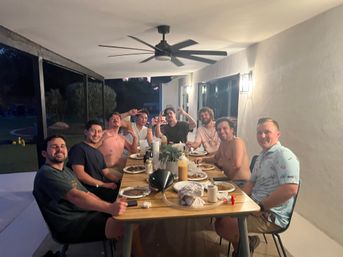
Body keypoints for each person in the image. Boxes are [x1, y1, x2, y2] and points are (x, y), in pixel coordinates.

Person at [214, 118, 300, 257]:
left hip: (270, 215)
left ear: (278, 134)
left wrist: (261, 207)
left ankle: (243, 249)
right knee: (220, 214)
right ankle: (246, 244)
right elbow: (251, 183)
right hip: (255, 205)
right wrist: (237, 200)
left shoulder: (284, 155)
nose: (262, 136)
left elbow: (290, 189)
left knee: (223, 225)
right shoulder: (262, 156)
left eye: (267, 132)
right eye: (259, 132)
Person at [33, 135, 127, 243]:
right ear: (44, 153)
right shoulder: (46, 174)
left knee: (129, 218)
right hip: (70, 225)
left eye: (62, 146)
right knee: (128, 225)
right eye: (54, 147)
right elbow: (76, 197)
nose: (59, 149)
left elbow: (87, 193)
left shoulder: (66, 171)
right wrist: (110, 208)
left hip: (85, 215)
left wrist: (107, 208)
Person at [68, 120, 120, 202]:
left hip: (101, 186)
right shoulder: (78, 149)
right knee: (122, 197)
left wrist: (119, 181)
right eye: (93, 131)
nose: (96, 134)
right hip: (90, 190)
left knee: (126, 187)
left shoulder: (98, 153)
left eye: (99, 132)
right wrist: (104, 185)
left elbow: (106, 173)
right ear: (85, 132)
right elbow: (80, 175)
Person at [197, 117, 251, 183]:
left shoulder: (237, 141)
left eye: (225, 128)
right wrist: (202, 159)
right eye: (219, 130)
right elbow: (215, 158)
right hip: (230, 179)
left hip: (241, 183)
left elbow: (236, 166)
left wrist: (226, 180)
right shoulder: (223, 142)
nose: (221, 131)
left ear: (232, 130)